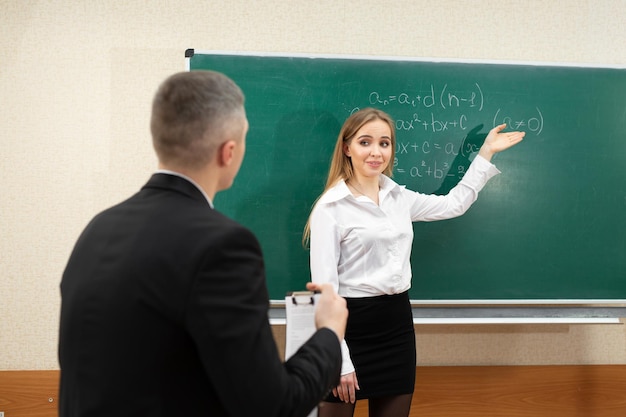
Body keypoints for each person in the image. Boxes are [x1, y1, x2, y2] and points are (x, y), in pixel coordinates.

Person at [58, 70, 348, 417]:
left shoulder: (99, 228)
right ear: (228, 152)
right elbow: (272, 405)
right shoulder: (223, 246)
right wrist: (329, 333)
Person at [303, 107, 525, 417]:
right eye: (365, 142)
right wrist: (340, 361)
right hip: (346, 328)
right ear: (347, 148)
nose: (376, 152)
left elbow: (454, 204)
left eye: (384, 143)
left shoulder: (399, 198)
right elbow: (325, 293)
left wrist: (485, 152)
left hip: (396, 325)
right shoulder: (331, 208)